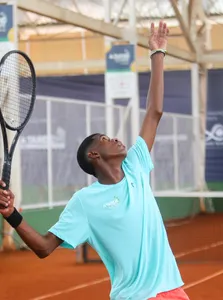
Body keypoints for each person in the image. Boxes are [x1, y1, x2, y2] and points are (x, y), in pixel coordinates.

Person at [0, 21, 190, 300]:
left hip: (173, 291)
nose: (114, 138)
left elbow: (154, 112)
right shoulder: (85, 202)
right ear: (94, 155)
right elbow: (43, 247)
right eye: (105, 138)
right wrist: (11, 215)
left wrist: (157, 53)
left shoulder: (135, 165)